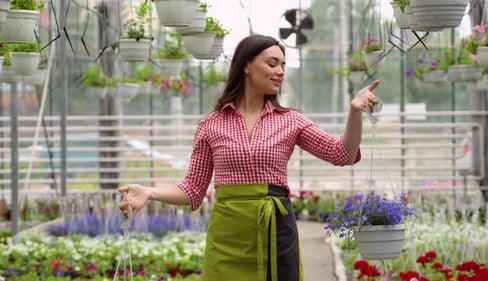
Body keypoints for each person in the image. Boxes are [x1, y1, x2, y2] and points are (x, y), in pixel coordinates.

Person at [118, 34, 380, 281]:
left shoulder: (291, 120)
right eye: (272, 63)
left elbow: (342, 154)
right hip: (228, 237)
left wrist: (355, 112)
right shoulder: (211, 124)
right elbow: (193, 190)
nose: (280, 71)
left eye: (283, 65)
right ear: (246, 65)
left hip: (276, 231)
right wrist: (149, 192)